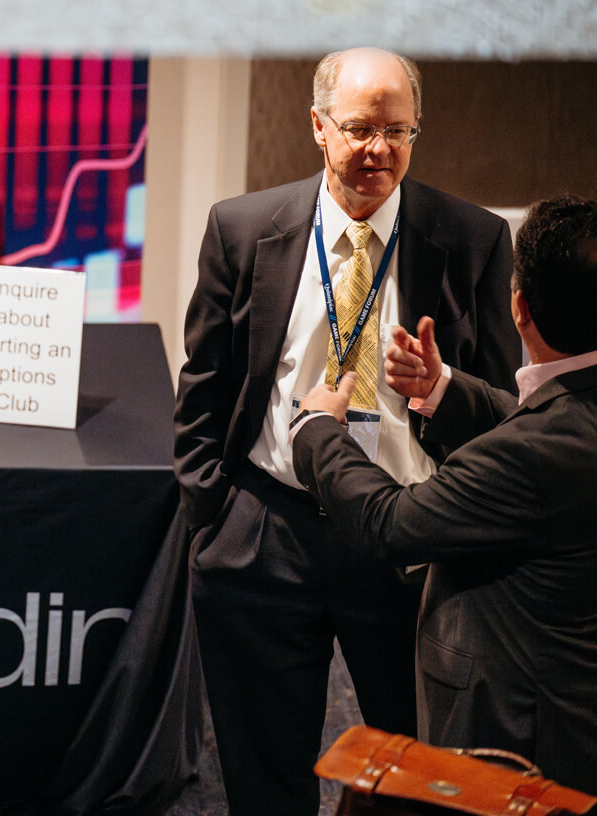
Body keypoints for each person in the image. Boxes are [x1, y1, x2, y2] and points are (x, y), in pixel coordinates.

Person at [172, 47, 522, 814]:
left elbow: (502, 410)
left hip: (406, 537)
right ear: (318, 126)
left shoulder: (472, 239)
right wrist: (212, 516)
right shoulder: (243, 229)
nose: (379, 150)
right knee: (264, 774)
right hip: (269, 528)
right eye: (361, 128)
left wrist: (441, 393)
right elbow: (204, 384)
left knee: (414, 771)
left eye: (399, 131)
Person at [292, 195, 597, 790]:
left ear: (519, 307)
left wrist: (317, 430)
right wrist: (441, 390)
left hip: (523, 745)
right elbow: (547, 425)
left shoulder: (529, 455)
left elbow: (387, 521)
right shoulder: (564, 427)